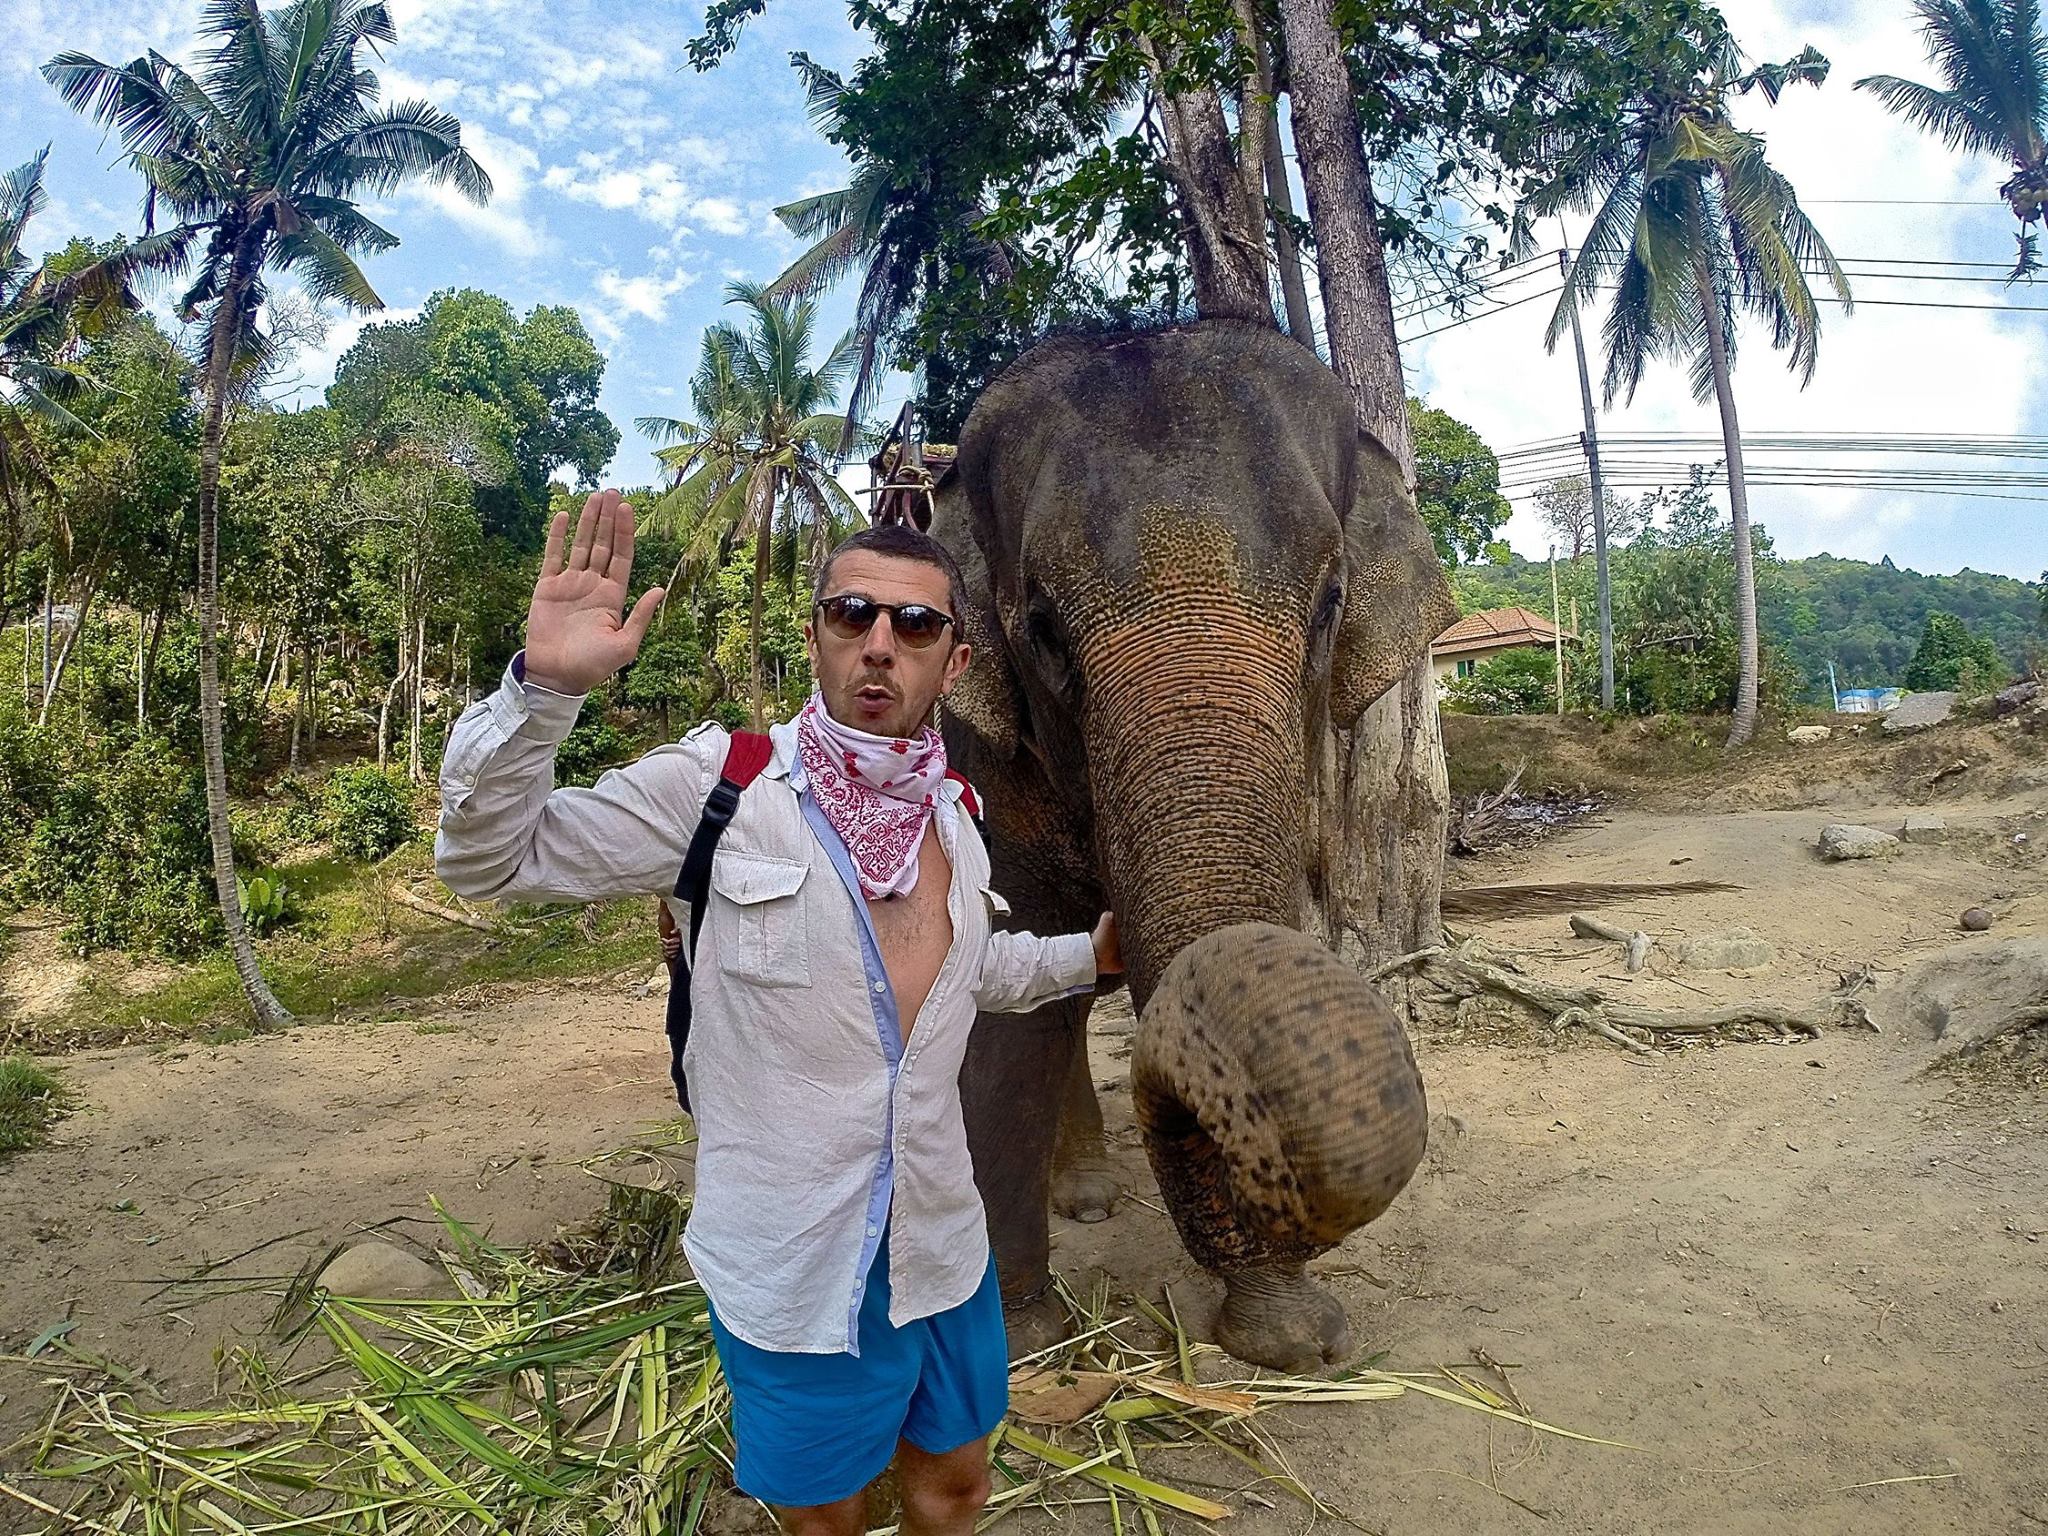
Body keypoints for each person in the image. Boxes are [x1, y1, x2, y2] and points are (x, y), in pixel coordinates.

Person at [436, 490, 1119, 1536]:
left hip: (939, 1241)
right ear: (815, 638)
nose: (880, 644)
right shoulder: (721, 788)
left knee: (956, 1487)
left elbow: (972, 975)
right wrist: (543, 694)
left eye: (915, 624)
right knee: (825, 1517)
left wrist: (1090, 955)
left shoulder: (955, 817)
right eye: (852, 616)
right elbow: (489, 860)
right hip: (794, 1260)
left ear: (954, 663)